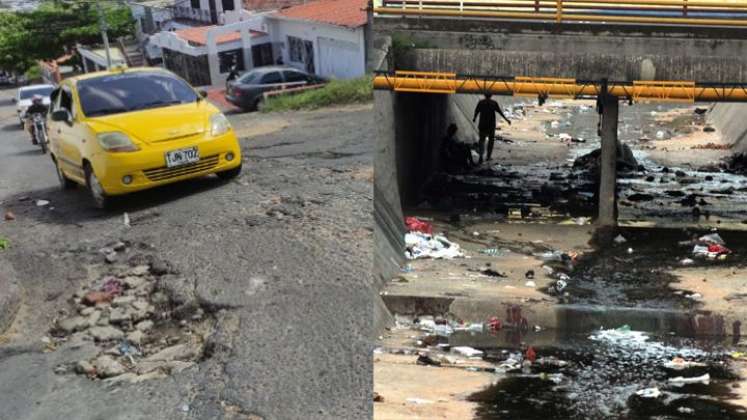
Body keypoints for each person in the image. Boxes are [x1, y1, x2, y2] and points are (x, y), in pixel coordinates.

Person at [473, 93, 510, 164]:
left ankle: (481, 157)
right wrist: (506, 119)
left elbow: (476, 111)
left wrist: (474, 118)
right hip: (491, 125)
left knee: (482, 140)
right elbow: (500, 112)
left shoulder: (481, 102)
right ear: (491, 95)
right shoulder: (494, 103)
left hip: (482, 124)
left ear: (484, 95)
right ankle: (488, 156)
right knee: (491, 140)